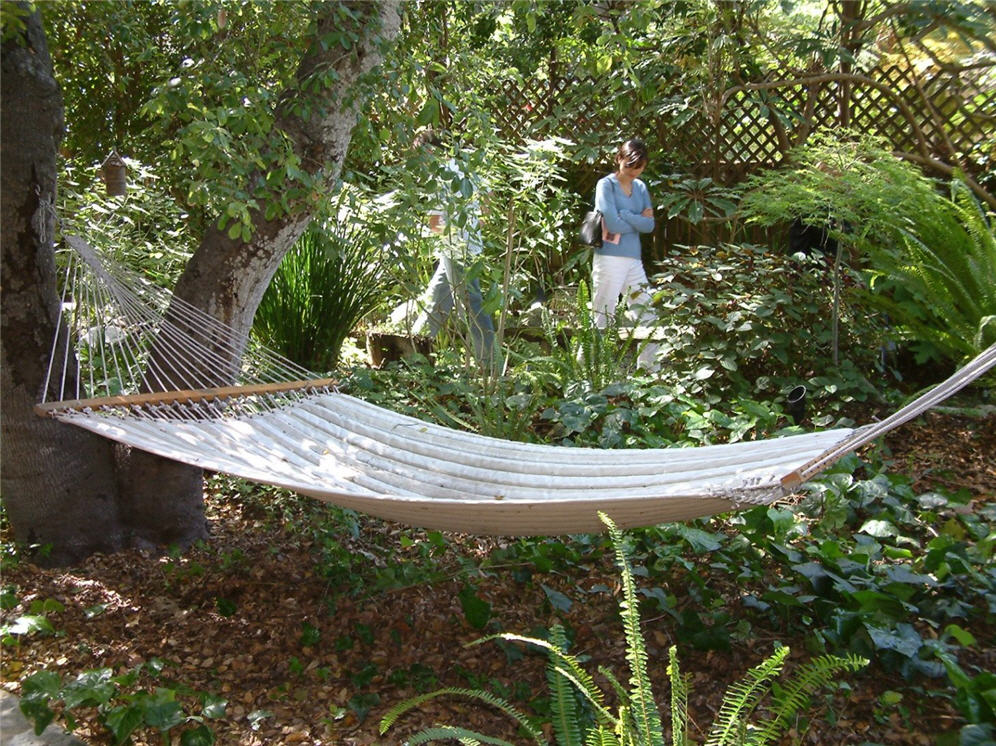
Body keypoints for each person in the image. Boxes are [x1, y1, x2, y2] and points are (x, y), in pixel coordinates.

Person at [409, 129, 498, 370]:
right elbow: (488, 203)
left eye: (420, 153)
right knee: (438, 296)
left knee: (473, 306)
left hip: (455, 249)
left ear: (430, 151)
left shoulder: (438, 177)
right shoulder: (466, 166)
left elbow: (435, 224)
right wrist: (471, 227)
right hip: (468, 247)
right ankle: (413, 350)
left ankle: (491, 364)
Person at [589, 138, 662, 372]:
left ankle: (650, 371)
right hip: (609, 257)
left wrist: (626, 216)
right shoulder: (605, 185)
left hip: (633, 260)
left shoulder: (640, 187)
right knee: (602, 314)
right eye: (630, 165)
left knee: (648, 310)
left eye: (639, 167)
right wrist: (637, 218)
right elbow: (611, 222)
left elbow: (649, 226)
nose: (634, 171)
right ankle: (590, 370)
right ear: (619, 159)